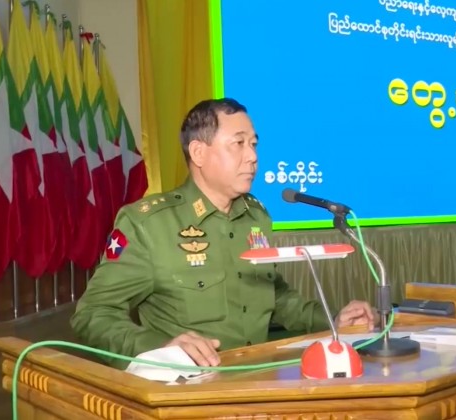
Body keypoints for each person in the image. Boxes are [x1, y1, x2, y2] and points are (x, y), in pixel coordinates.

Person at [71, 98, 376, 369]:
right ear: (199, 153)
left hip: (259, 380)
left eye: (254, 144)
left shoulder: (255, 216)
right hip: (189, 390)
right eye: (238, 143)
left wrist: (333, 320)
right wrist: (160, 348)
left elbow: (275, 296)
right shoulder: (149, 225)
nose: (252, 156)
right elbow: (93, 314)